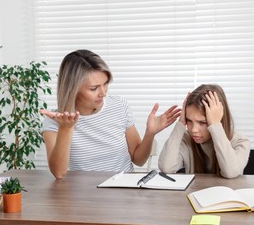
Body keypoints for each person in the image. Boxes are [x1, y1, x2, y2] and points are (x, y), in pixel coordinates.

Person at [40, 49, 181, 179]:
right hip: (84, 197)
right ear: (73, 89)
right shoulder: (55, 120)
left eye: (106, 83)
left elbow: (138, 160)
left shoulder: (119, 106)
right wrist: (66, 128)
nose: (103, 92)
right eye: (94, 88)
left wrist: (150, 133)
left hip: (123, 191)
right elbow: (58, 173)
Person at [158, 84, 250, 178]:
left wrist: (215, 126)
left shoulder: (240, 141)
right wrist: (181, 123)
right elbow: (166, 168)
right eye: (189, 120)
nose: (193, 130)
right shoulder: (186, 139)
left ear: (219, 119)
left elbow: (231, 172)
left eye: (202, 122)